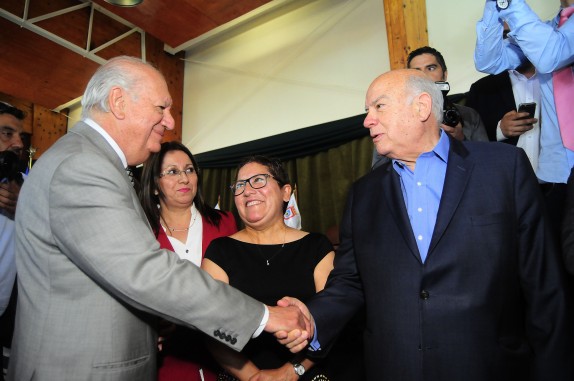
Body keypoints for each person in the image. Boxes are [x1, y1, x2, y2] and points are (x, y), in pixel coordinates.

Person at [8, 56, 310, 381]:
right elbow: (146, 272)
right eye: (161, 108)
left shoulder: (91, 162)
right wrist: (266, 316)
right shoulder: (82, 166)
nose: (169, 122)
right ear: (119, 102)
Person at [297, 69, 574, 380]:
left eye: (379, 106)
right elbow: (349, 282)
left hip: (490, 368)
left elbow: (543, 285)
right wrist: (309, 318)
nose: (367, 121)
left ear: (422, 106)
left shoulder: (502, 169)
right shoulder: (362, 195)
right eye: (367, 111)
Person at [201, 155, 336, 381]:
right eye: (240, 185)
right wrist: (254, 376)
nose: (247, 190)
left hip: (308, 372)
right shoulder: (220, 251)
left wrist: (291, 372)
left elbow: (333, 320)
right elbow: (209, 324)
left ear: (285, 192)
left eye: (259, 180)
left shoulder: (316, 247)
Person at [474, 0, 574, 242]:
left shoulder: (554, 38)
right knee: (558, 267)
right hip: (554, 171)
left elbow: (552, 55)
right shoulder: (551, 28)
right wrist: (495, 5)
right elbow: (489, 61)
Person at [139, 141, 238, 381]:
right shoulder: (140, 233)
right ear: (153, 185)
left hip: (225, 360)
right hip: (168, 365)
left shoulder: (225, 222)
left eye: (189, 170)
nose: (184, 178)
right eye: (172, 171)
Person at [372, 47, 488, 169]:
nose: (424, 75)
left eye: (431, 68)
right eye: (416, 70)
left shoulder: (469, 116)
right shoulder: (391, 119)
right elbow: (377, 172)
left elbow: (488, 161)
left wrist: (460, 140)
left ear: (444, 74)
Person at [466, 58, 540, 171]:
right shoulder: (481, 89)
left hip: (559, 181)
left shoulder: (560, 79)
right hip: (504, 179)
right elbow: (468, 138)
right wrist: (499, 130)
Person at [0, 101, 25, 381]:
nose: (17, 142)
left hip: (10, 316)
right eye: (7, 133)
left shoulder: (26, 187)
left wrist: (25, 208)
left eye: (20, 135)